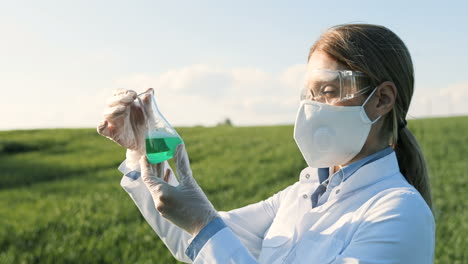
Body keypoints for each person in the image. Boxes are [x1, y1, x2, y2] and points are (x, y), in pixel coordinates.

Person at [97, 24, 435, 263]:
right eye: (309, 94)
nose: (311, 108)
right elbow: (195, 241)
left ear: (382, 99)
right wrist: (140, 149)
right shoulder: (299, 197)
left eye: (328, 91)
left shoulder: (400, 212)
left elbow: (206, 230)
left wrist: (203, 223)